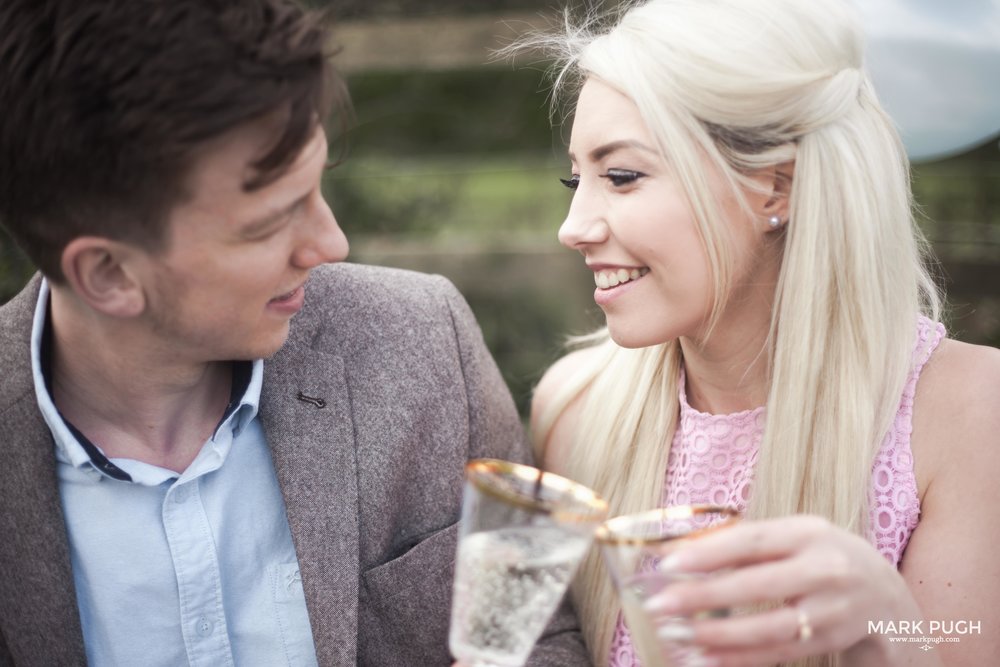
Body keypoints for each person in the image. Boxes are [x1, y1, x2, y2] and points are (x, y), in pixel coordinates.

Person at [0, 1, 590, 666]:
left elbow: (543, 636)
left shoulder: (425, 343)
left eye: (321, 185)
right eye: (269, 222)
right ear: (108, 274)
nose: (331, 242)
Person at [523, 0, 1000, 665]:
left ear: (774, 187)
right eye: (577, 179)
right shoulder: (571, 410)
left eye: (622, 176)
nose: (573, 226)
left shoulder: (970, 413)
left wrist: (889, 626)